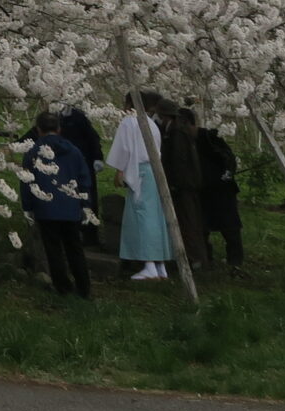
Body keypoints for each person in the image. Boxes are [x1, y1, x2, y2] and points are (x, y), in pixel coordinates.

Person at [21, 111, 93, 299]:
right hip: (71, 207)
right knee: (74, 248)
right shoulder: (74, 151)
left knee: (53, 250)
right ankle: (84, 287)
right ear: (59, 129)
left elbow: (27, 181)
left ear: (38, 129)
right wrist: (85, 203)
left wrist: (27, 207)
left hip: (46, 208)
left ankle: (63, 287)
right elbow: (84, 178)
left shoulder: (33, 152)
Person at [108, 93, 172, 280]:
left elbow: (125, 148)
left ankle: (149, 264)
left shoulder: (130, 122)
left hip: (141, 171)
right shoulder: (151, 123)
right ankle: (160, 265)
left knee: (142, 215)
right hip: (154, 171)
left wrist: (120, 171)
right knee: (155, 216)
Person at [162, 103, 210, 268]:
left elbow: (179, 160)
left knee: (187, 220)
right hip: (189, 183)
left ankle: (194, 257)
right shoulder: (180, 132)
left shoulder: (176, 133)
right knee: (189, 219)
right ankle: (196, 256)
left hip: (183, 185)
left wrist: (175, 183)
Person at [195, 114, 245, 270]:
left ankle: (235, 261)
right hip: (202, 190)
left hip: (222, 189)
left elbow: (228, 158)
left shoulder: (211, 137)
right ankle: (205, 259)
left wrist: (227, 173)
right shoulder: (184, 141)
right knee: (201, 227)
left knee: (230, 228)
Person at [55, 104, 105, 245]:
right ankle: (71, 231)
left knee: (86, 196)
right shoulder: (55, 116)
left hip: (83, 161)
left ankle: (89, 234)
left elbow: (93, 137)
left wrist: (97, 156)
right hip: (64, 163)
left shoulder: (78, 117)